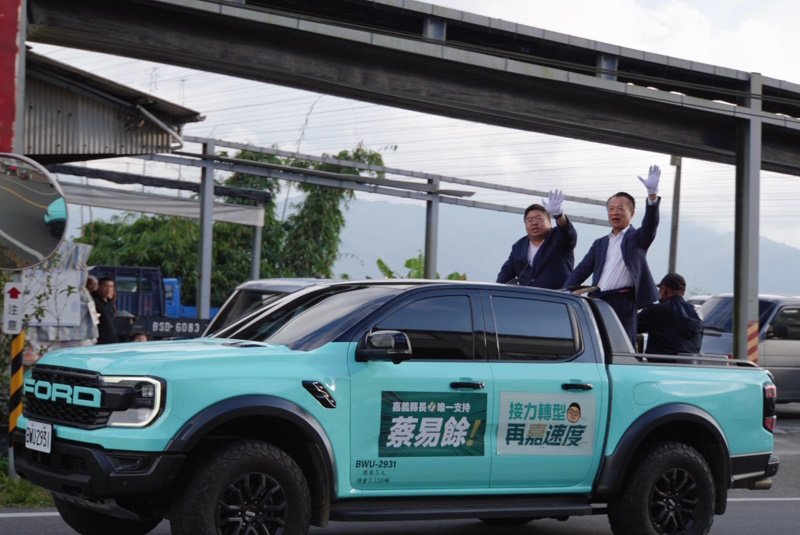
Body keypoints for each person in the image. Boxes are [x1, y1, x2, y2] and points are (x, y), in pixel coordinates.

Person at [564, 165, 662, 344]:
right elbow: (581, 271)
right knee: (596, 344)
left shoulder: (637, 238)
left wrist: (652, 196)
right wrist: (564, 292)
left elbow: (650, 224)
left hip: (623, 301)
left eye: (620, 209)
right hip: (597, 300)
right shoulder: (600, 243)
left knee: (620, 345)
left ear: (632, 213)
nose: (614, 213)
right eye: (611, 209)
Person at [496, 189, 577, 289]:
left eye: (539, 218)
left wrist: (558, 215)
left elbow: (567, 231)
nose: (534, 223)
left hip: (557, 296)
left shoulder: (559, 237)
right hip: (529, 297)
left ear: (549, 221)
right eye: (529, 220)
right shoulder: (519, 246)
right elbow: (505, 274)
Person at [638, 273, 703, 355]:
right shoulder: (696, 312)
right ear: (683, 292)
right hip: (690, 361)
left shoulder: (656, 310)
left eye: (660, 289)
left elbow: (632, 327)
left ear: (664, 289)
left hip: (660, 362)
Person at [93, 276, 119, 344]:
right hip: (98, 340)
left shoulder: (110, 303)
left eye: (111, 286)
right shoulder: (93, 301)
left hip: (111, 339)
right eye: (105, 286)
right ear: (99, 286)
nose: (108, 289)